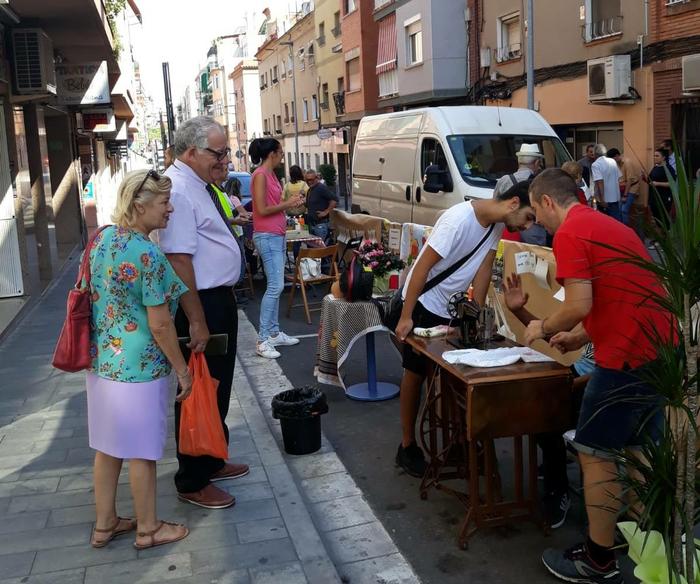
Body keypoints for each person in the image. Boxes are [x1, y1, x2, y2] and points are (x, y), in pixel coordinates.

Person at [525, 169, 673, 584]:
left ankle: (598, 558)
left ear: (549, 202)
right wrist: (576, 337)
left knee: (594, 453)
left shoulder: (570, 232)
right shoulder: (611, 226)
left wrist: (545, 327)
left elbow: (577, 302)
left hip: (626, 358)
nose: (538, 222)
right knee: (640, 447)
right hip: (658, 352)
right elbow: (617, 298)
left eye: (537, 213)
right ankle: (644, 539)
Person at [394, 181, 537, 476]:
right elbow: (422, 268)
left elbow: (483, 270)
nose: (528, 226)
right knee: (415, 374)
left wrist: (475, 313)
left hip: (452, 311)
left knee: (452, 377)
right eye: (528, 217)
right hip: (423, 305)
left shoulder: (496, 226)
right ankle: (407, 445)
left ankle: (458, 442)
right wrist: (407, 316)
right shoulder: (458, 219)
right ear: (513, 203)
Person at [87, 169, 190, 549]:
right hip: (140, 368)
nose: (170, 209)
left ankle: (105, 523)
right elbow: (160, 324)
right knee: (142, 451)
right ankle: (148, 529)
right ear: (139, 205)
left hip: (102, 364)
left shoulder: (101, 240)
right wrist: (182, 370)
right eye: (164, 202)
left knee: (108, 446)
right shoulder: (147, 253)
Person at [158, 116, 249, 510]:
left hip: (216, 300)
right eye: (218, 152)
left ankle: (211, 459)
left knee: (217, 386)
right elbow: (179, 259)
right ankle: (192, 478)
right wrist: (196, 318)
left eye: (226, 151)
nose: (225, 159)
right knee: (199, 390)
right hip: (202, 304)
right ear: (192, 152)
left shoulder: (199, 185)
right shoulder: (177, 187)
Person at [250, 138, 304, 359]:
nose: (283, 155)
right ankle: (263, 338)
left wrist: (288, 203)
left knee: (276, 286)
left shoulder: (270, 174)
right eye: (280, 152)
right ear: (272, 153)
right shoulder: (261, 175)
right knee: (275, 286)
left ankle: (273, 333)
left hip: (276, 234)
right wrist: (288, 204)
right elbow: (262, 209)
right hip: (268, 234)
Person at [493, 143, 547, 246]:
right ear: (537, 163)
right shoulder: (539, 183)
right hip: (533, 234)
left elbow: (496, 203)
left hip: (509, 231)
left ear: (519, 162)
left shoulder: (504, 180)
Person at [304, 169, 339, 242]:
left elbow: (334, 199)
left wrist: (326, 212)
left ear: (316, 178)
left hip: (320, 225)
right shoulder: (310, 189)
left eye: (311, 179)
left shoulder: (321, 187)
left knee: (321, 250)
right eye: (307, 180)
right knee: (314, 250)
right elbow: (309, 205)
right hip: (312, 225)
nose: (309, 182)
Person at [591, 144, 622, 222]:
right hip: (615, 197)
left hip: (604, 199)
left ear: (595, 154)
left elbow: (599, 181)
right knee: (617, 221)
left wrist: (602, 199)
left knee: (604, 222)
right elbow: (619, 177)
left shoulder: (595, 165)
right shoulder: (612, 161)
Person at [647, 147, 676, 231]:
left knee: (663, 219)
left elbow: (672, 184)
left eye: (657, 156)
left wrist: (658, 184)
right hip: (654, 198)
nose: (654, 157)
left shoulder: (668, 169)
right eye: (654, 155)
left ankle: (665, 239)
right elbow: (650, 181)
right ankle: (658, 239)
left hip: (664, 199)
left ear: (663, 158)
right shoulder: (655, 167)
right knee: (656, 219)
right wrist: (644, 178)